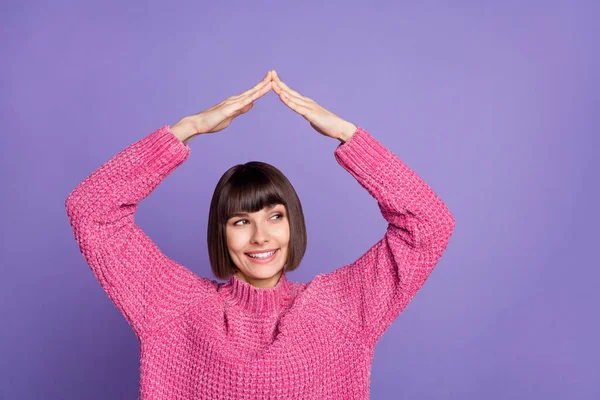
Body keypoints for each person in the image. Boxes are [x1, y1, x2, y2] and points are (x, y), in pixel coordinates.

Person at [65, 70, 455, 399]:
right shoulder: (173, 306)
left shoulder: (343, 307)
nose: (260, 236)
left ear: (293, 224)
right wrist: (187, 130)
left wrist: (348, 136)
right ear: (221, 233)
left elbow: (428, 224)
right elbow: (91, 210)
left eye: (274, 216)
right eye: (240, 221)